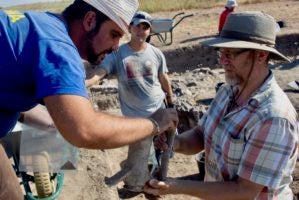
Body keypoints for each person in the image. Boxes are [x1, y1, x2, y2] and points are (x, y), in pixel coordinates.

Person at [0, 0, 178, 199]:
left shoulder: (40, 24)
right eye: (114, 35)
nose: (115, 47)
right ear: (90, 20)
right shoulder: (59, 47)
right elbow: (84, 131)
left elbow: (9, 86)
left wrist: (56, 120)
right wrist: (155, 123)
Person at [144, 11, 299, 199]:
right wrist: (175, 143)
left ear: (261, 55)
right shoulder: (228, 91)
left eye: (231, 53)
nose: (223, 61)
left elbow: (244, 192)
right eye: (221, 52)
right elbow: (202, 135)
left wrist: (174, 186)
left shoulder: (274, 118)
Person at [86, 10, 174, 172]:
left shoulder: (156, 53)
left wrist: (170, 102)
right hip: (136, 120)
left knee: (163, 151)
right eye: (137, 26)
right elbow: (100, 73)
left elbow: (163, 78)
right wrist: (83, 84)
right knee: (144, 159)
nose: (141, 31)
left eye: (145, 27)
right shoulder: (118, 55)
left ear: (150, 30)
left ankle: (158, 180)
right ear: (130, 28)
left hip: (159, 111)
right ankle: (146, 185)